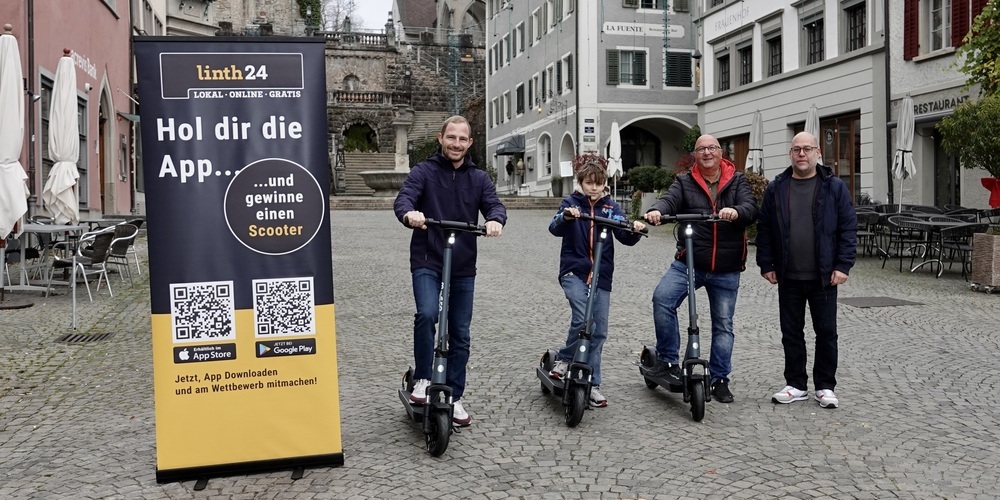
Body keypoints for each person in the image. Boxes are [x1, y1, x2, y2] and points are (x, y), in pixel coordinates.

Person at [393, 115, 507, 427]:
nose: (456, 143)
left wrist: (496, 220)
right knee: (428, 314)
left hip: (462, 264)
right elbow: (404, 198)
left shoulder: (479, 179)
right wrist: (410, 214)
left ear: (469, 143)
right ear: (441, 139)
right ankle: (424, 379)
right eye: (451, 137)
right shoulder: (424, 172)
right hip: (428, 257)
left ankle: (454, 395)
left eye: (462, 139)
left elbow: (494, 205)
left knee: (460, 332)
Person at [643, 134, 759, 403]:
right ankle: (668, 360)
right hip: (690, 261)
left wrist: (736, 212)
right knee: (662, 299)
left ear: (721, 152)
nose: (707, 153)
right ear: (695, 155)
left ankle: (719, 379)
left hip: (727, 267)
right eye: (701, 149)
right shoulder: (684, 181)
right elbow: (669, 200)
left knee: (723, 325)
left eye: (712, 148)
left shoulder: (737, 180)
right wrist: (657, 210)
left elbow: (751, 209)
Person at [756, 131, 857, 409]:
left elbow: (848, 228)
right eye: (797, 149)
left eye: (807, 149)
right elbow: (764, 229)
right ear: (790, 154)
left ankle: (825, 386)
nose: (802, 154)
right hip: (789, 275)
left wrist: (842, 265)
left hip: (824, 276)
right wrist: (767, 263)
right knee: (791, 332)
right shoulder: (777, 188)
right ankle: (796, 384)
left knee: (826, 333)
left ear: (817, 153)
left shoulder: (834, 187)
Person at [547, 160, 646, 407]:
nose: (594, 188)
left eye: (599, 184)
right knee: (583, 318)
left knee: (599, 330)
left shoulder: (610, 208)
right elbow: (554, 226)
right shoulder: (571, 203)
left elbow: (625, 235)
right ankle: (565, 358)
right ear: (580, 183)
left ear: (604, 185)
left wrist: (634, 228)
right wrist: (567, 217)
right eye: (589, 183)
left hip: (602, 275)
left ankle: (592, 383)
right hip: (574, 272)